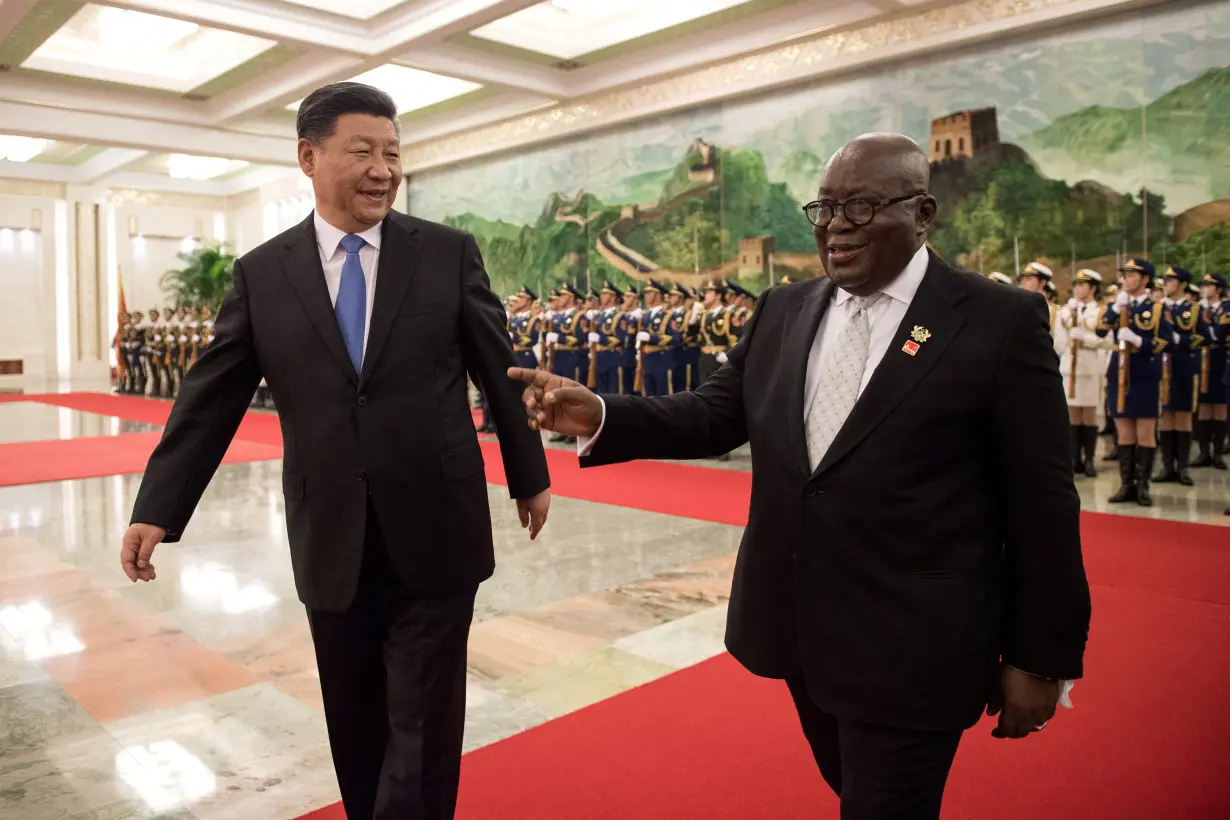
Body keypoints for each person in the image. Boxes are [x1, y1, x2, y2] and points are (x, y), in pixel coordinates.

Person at [509, 133, 1090, 820]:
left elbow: (1043, 501)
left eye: (863, 206)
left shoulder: (996, 322)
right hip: (799, 628)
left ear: (924, 213)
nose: (836, 225)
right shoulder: (787, 309)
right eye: (826, 207)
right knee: (852, 788)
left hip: (916, 642)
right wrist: (603, 411)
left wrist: (1040, 656)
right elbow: (715, 413)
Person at [120, 82, 550, 820]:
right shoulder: (263, 274)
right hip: (330, 532)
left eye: (392, 153)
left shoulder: (445, 255)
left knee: (421, 721)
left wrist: (527, 473)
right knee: (354, 724)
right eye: (363, 152)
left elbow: (498, 367)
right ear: (309, 157)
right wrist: (159, 506)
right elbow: (211, 396)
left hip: (437, 524)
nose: (383, 169)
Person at [1096, 258, 1167, 506]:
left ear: (1145, 279)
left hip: (1144, 372)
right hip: (1120, 370)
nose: (1127, 278)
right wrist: (1115, 309)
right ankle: (1127, 484)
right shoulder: (1119, 305)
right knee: (1124, 429)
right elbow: (1100, 330)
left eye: (1133, 274)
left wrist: (1138, 341)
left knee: (1145, 431)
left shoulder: (1157, 309)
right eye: (1125, 274)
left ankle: (1143, 486)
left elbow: (1163, 342)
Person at [1055, 269, 1109, 477]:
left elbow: (1107, 341)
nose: (1077, 288)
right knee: (1072, 415)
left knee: (1089, 415)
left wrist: (1085, 338)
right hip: (1069, 368)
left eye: (1082, 284)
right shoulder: (1066, 311)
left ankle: (1089, 460)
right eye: (1076, 284)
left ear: (1093, 288)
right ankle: (1075, 459)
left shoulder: (1100, 312)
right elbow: (1059, 342)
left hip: (1089, 366)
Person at [1154, 267, 1198, 485]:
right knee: (1166, 415)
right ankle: (1167, 464)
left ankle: (1182, 467)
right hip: (1162, 365)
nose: (1166, 283)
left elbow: (1197, 336)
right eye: (1166, 279)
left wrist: (1177, 339)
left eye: (1171, 280)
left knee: (1182, 415)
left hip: (1182, 365)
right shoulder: (1157, 308)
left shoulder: (1191, 309)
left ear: (1182, 284)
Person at [1193, 274, 1227, 469]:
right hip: (1201, 357)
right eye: (1203, 284)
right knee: (1204, 406)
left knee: (1219, 407)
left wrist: (1204, 327)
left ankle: (1218, 453)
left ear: (1218, 289)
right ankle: (1204, 452)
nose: (1205, 288)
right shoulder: (1197, 308)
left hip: (1219, 358)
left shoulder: (1226, 308)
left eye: (1209, 285)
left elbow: (1219, 335)